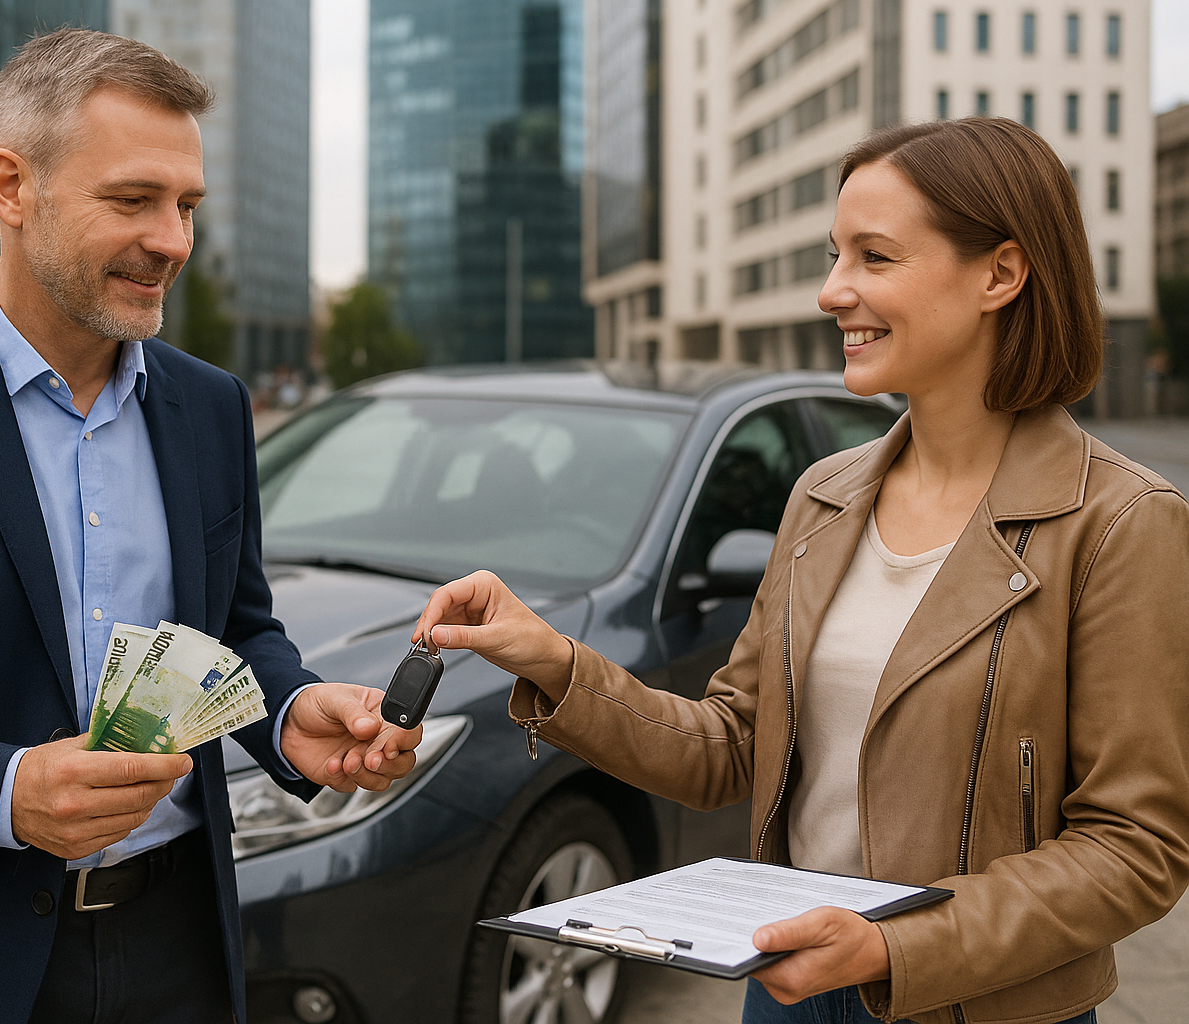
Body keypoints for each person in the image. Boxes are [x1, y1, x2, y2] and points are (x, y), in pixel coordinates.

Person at [414, 117, 1189, 1024]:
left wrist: (895, 946)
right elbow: (728, 746)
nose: (832, 292)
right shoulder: (824, 495)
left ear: (1000, 274)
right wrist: (553, 661)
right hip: (788, 987)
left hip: (978, 1004)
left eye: (874, 257)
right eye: (834, 255)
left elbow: (1135, 848)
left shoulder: (1122, 521)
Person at [0, 28, 419, 1024]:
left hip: (177, 944)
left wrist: (288, 708)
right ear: (14, 186)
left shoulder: (214, 407)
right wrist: (4, 789)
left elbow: (233, 634)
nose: (174, 240)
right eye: (133, 200)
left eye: (185, 206)